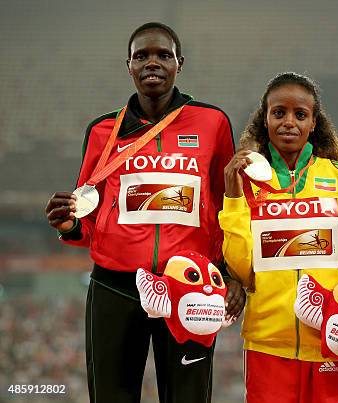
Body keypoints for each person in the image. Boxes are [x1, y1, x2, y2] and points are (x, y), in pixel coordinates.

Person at [44, 22, 244, 403]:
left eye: (163, 55)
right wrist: (70, 225)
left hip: (190, 286)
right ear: (129, 66)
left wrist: (229, 271)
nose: (153, 63)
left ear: (179, 63)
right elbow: (88, 215)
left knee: (188, 397)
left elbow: (226, 208)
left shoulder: (212, 122)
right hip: (116, 287)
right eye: (142, 56)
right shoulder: (104, 130)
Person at [219, 72, 338, 403]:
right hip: (267, 343)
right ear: (266, 118)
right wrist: (232, 198)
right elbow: (244, 271)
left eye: (300, 114)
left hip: (332, 339)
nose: (289, 122)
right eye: (279, 113)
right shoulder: (245, 182)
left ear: (313, 122)